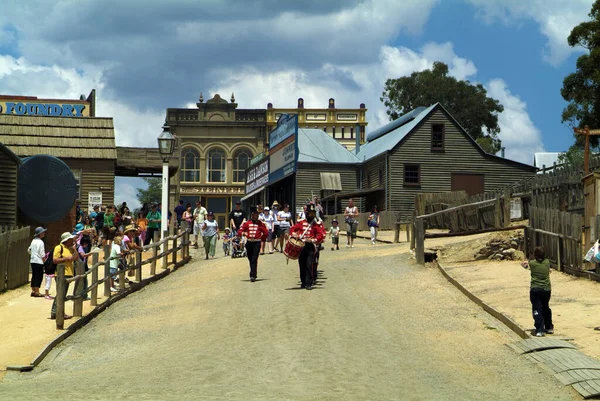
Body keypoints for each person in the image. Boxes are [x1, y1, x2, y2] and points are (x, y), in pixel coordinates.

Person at [290, 203, 326, 290]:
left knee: (309, 264)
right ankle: (303, 282)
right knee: (302, 264)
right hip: (301, 246)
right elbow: (292, 229)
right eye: (310, 213)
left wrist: (313, 240)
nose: (312, 215)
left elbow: (320, 235)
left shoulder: (316, 224)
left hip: (310, 246)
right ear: (307, 213)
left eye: (313, 213)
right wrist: (294, 234)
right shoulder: (301, 223)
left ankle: (309, 283)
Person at [521, 246, 553, 337]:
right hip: (547, 289)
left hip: (535, 289)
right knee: (545, 307)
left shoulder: (532, 264)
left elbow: (524, 265)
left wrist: (525, 262)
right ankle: (549, 327)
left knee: (537, 308)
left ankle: (539, 329)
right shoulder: (547, 262)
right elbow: (549, 270)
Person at [50, 232, 79, 320]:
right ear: (66, 240)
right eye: (70, 239)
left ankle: (56, 311)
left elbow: (76, 258)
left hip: (69, 273)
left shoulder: (70, 248)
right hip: (61, 273)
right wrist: (66, 259)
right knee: (61, 293)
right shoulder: (59, 247)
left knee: (62, 293)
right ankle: (57, 312)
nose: (72, 241)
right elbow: (55, 260)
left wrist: (74, 250)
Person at [237, 206, 269, 282]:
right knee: (250, 258)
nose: (256, 216)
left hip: (257, 243)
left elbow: (266, 233)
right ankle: (254, 273)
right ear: (252, 215)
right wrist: (244, 233)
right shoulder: (247, 223)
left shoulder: (261, 224)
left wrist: (262, 238)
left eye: (257, 215)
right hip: (249, 243)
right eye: (255, 215)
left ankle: (252, 275)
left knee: (254, 259)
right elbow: (239, 231)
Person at [28, 226, 47, 297]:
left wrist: (33, 254)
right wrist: (45, 261)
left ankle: (33, 290)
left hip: (33, 260)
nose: (44, 233)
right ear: (40, 234)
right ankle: (37, 291)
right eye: (43, 232)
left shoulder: (33, 241)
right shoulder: (41, 242)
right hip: (39, 261)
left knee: (34, 275)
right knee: (39, 276)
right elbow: (42, 253)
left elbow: (29, 250)